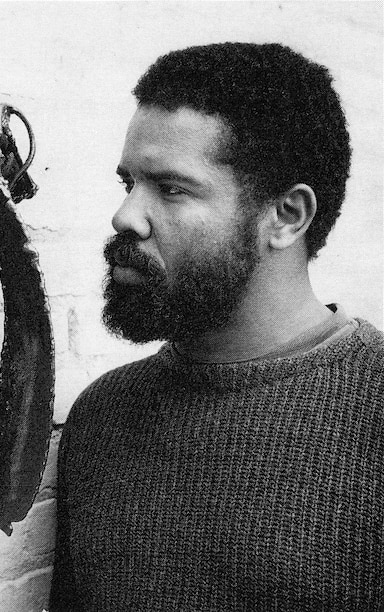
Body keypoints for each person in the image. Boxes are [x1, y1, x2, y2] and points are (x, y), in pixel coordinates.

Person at [50, 42, 383, 611]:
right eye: (127, 182)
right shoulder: (102, 418)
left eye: (171, 188)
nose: (126, 216)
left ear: (286, 217)